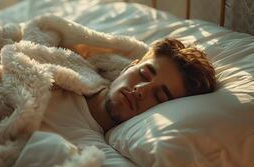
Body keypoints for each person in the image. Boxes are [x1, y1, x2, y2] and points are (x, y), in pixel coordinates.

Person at [40, 38, 216, 135]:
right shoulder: (65, 71)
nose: (141, 90)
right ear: (130, 66)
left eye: (159, 97)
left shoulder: (89, 147)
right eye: (144, 74)